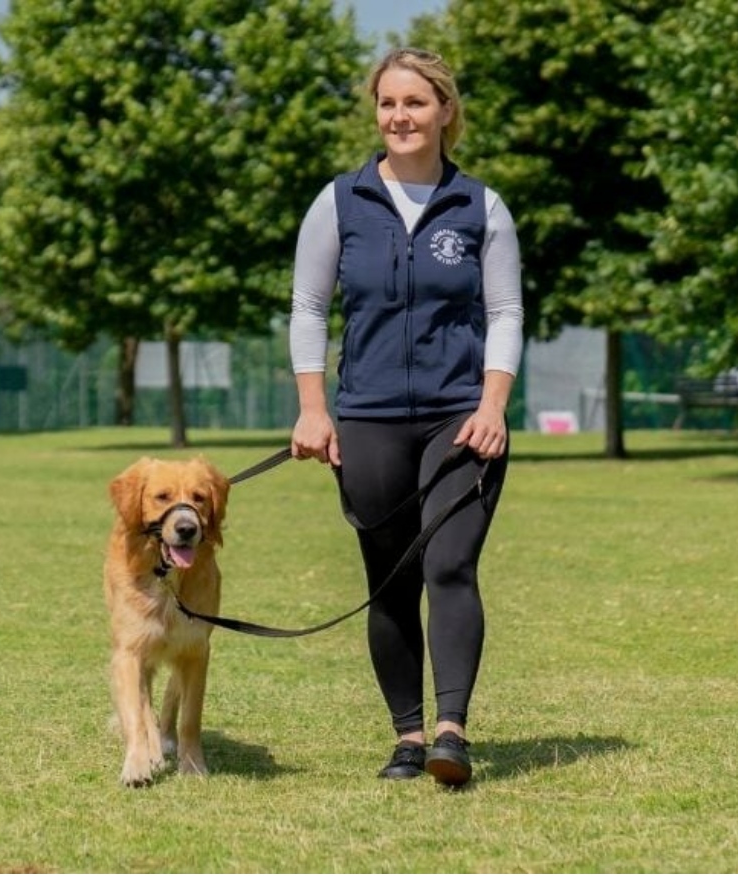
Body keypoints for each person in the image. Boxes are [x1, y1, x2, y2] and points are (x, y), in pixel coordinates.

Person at [288, 47, 523, 787]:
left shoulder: (480, 207)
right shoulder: (340, 201)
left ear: (446, 111)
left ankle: (452, 733)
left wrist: (493, 404)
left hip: (461, 418)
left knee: (451, 563)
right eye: (388, 104)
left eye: (416, 103)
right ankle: (409, 737)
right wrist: (312, 411)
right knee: (390, 579)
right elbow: (309, 308)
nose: (400, 117)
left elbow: (506, 310)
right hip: (367, 416)